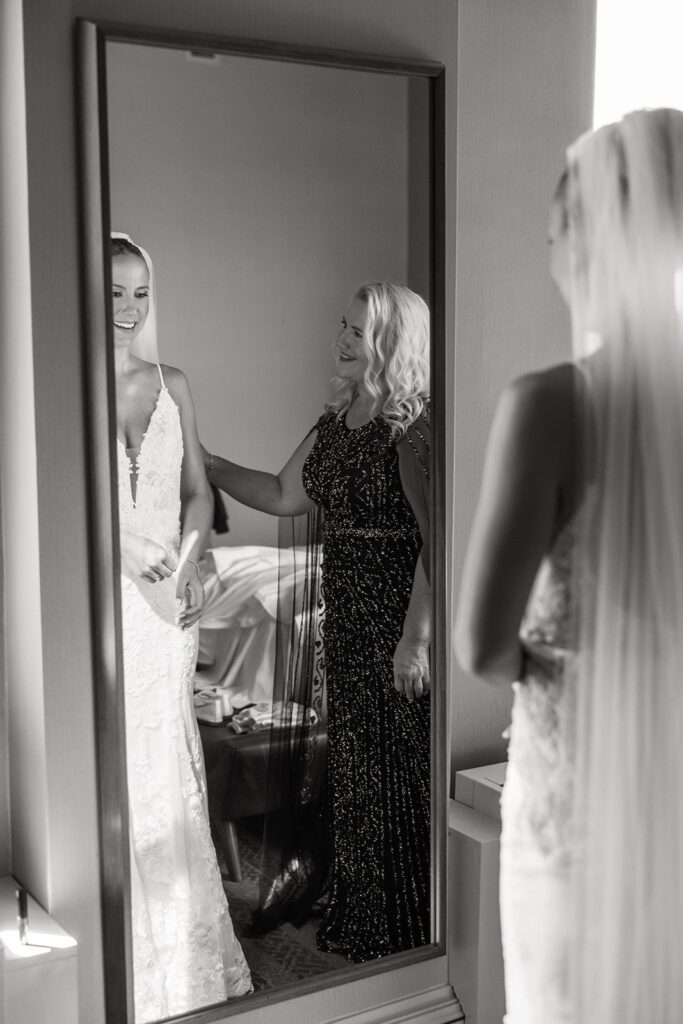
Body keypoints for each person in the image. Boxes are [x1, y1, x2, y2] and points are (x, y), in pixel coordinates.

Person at [455, 109, 683, 1024]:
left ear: (581, 238)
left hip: (576, 799)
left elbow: (480, 644)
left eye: (552, 234)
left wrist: (563, 684)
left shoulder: (550, 404)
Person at [203, 282, 432, 962]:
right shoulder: (336, 417)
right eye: (343, 323)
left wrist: (414, 640)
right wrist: (206, 463)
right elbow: (279, 494)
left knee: (396, 767)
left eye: (358, 331)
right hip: (346, 614)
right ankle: (365, 904)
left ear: (392, 342)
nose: (341, 337)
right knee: (357, 765)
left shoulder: (410, 428)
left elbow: (437, 543)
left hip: (393, 616)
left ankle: (408, 920)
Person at [112, 233, 252, 1020]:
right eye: (113, 293)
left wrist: (194, 561)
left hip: (168, 611)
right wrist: (120, 545)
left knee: (167, 765)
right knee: (117, 768)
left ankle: (181, 962)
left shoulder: (172, 382)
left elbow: (198, 490)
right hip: (100, 600)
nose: (129, 310)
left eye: (140, 293)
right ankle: (120, 955)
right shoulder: (60, 384)